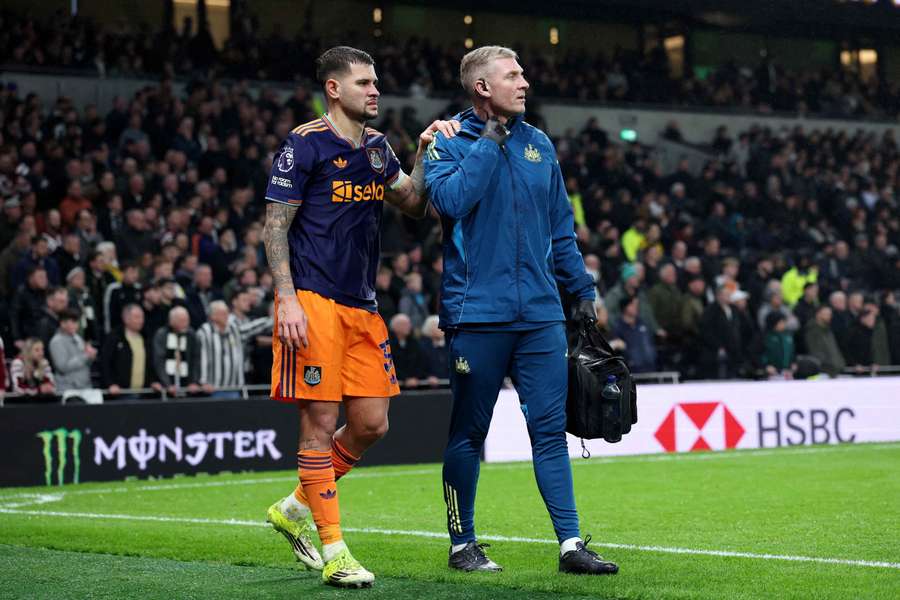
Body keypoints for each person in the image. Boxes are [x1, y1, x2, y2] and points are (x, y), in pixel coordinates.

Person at [259, 46, 459, 588]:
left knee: (372, 424)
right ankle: (335, 551)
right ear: (334, 89)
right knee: (319, 426)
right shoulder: (304, 144)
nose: (375, 91)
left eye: (375, 83)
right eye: (364, 83)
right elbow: (275, 226)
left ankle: (294, 508)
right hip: (313, 300)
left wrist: (423, 151)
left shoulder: (376, 148)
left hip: (363, 306)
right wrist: (286, 298)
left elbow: (412, 201)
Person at [424, 45, 618, 576]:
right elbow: (451, 202)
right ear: (483, 87)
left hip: (540, 314)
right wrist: (490, 139)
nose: (524, 82)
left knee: (550, 431)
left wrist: (581, 290)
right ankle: (462, 543)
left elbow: (560, 226)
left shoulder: (539, 144)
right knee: (469, 433)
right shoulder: (447, 141)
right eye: (512, 75)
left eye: (523, 74)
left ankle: (571, 544)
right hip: (476, 315)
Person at [100, 304, 158, 397]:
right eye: (137, 317)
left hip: (144, 393)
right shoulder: (114, 338)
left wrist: (153, 381)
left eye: (142, 317)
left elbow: (151, 363)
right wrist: (110, 383)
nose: (141, 320)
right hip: (121, 393)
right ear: (126, 319)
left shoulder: (146, 338)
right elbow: (105, 362)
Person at [152, 306, 202, 396]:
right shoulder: (162, 334)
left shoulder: (191, 335)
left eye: (187, 320)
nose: (186, 324)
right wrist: (167, 384)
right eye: (182, 320)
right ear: (172, 321)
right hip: (166, 387)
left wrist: (194, 381)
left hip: (186, 386)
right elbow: (159, 361)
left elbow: (195, 360)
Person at [48, 309, 97, 392]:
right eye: (73, 322)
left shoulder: (77, 338)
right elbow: (62, 367)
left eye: (76, 322)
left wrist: (91, 356)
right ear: (63, 323)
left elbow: (85, 363)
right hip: (68, 388)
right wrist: (86, 355)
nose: (76, 325)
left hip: (85, 386)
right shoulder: (56, 342)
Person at [803, 305, 846, 377]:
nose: (829, 316)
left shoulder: (828, 330)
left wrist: (840, 363)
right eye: (826, 314)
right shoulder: (812, 331)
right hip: (823, 372)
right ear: (818, 314)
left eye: (830, 314)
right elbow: (815, 351)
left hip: (834, 371)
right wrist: (830, 364)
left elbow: (834, 349)